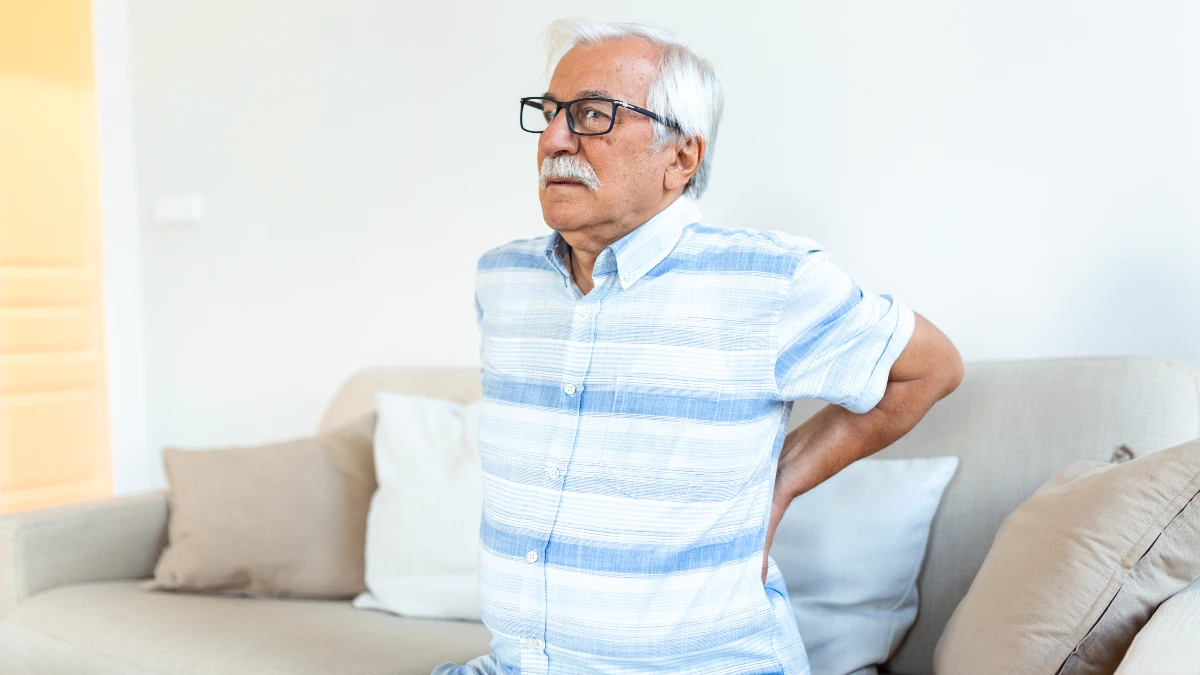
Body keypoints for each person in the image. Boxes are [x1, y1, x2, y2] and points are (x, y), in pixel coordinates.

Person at [434, 18, 963, 675]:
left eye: (592, 115)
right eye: (547, 113)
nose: (552, 139)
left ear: (680, 158)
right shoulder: (502, 280)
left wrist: (784, 481)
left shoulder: (768, 280)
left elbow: (932, 367)